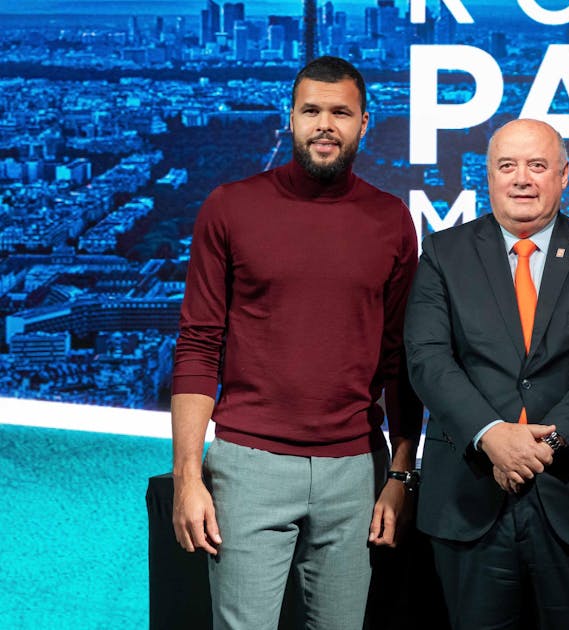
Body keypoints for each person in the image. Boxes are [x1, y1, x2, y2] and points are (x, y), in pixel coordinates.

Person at [170, 55, 421, 629]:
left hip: (354, 471)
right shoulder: (229, 207)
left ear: (364, 122)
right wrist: (188, 477)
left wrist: (401, 475)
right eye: (311, 110)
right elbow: (198, 345)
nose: (324, 124)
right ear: (290, 118)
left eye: (340, 112)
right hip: (248, 466)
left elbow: (401, 360)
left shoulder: (391, 219)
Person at [405, 118, 569, 630]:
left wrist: (545, 444)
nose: (522, 179)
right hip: (471, 497)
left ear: (564, 176)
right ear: (487, 177)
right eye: (507, 166)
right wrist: (493, 436)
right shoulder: (443, 254)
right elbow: (428, 359)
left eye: (537, 166)